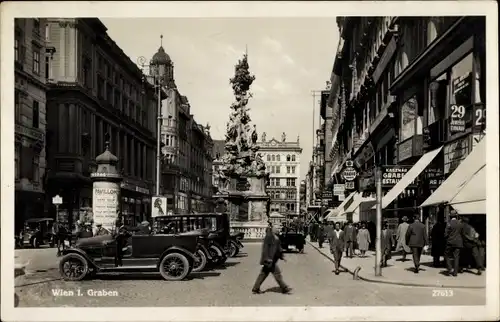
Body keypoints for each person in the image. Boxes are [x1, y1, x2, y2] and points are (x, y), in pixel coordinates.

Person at [252, 226, 291, 294]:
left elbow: (278, 250)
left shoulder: (277, 238)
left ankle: (255, 288)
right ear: (273, 231)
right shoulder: (269, 238)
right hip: (269, 260)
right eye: (276, 229)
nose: (278, 230)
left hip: (271, 260)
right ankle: (284, 288)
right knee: (277, 273)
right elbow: (265, 249)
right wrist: (267, 258)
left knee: (263, 274)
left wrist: (282, 257)